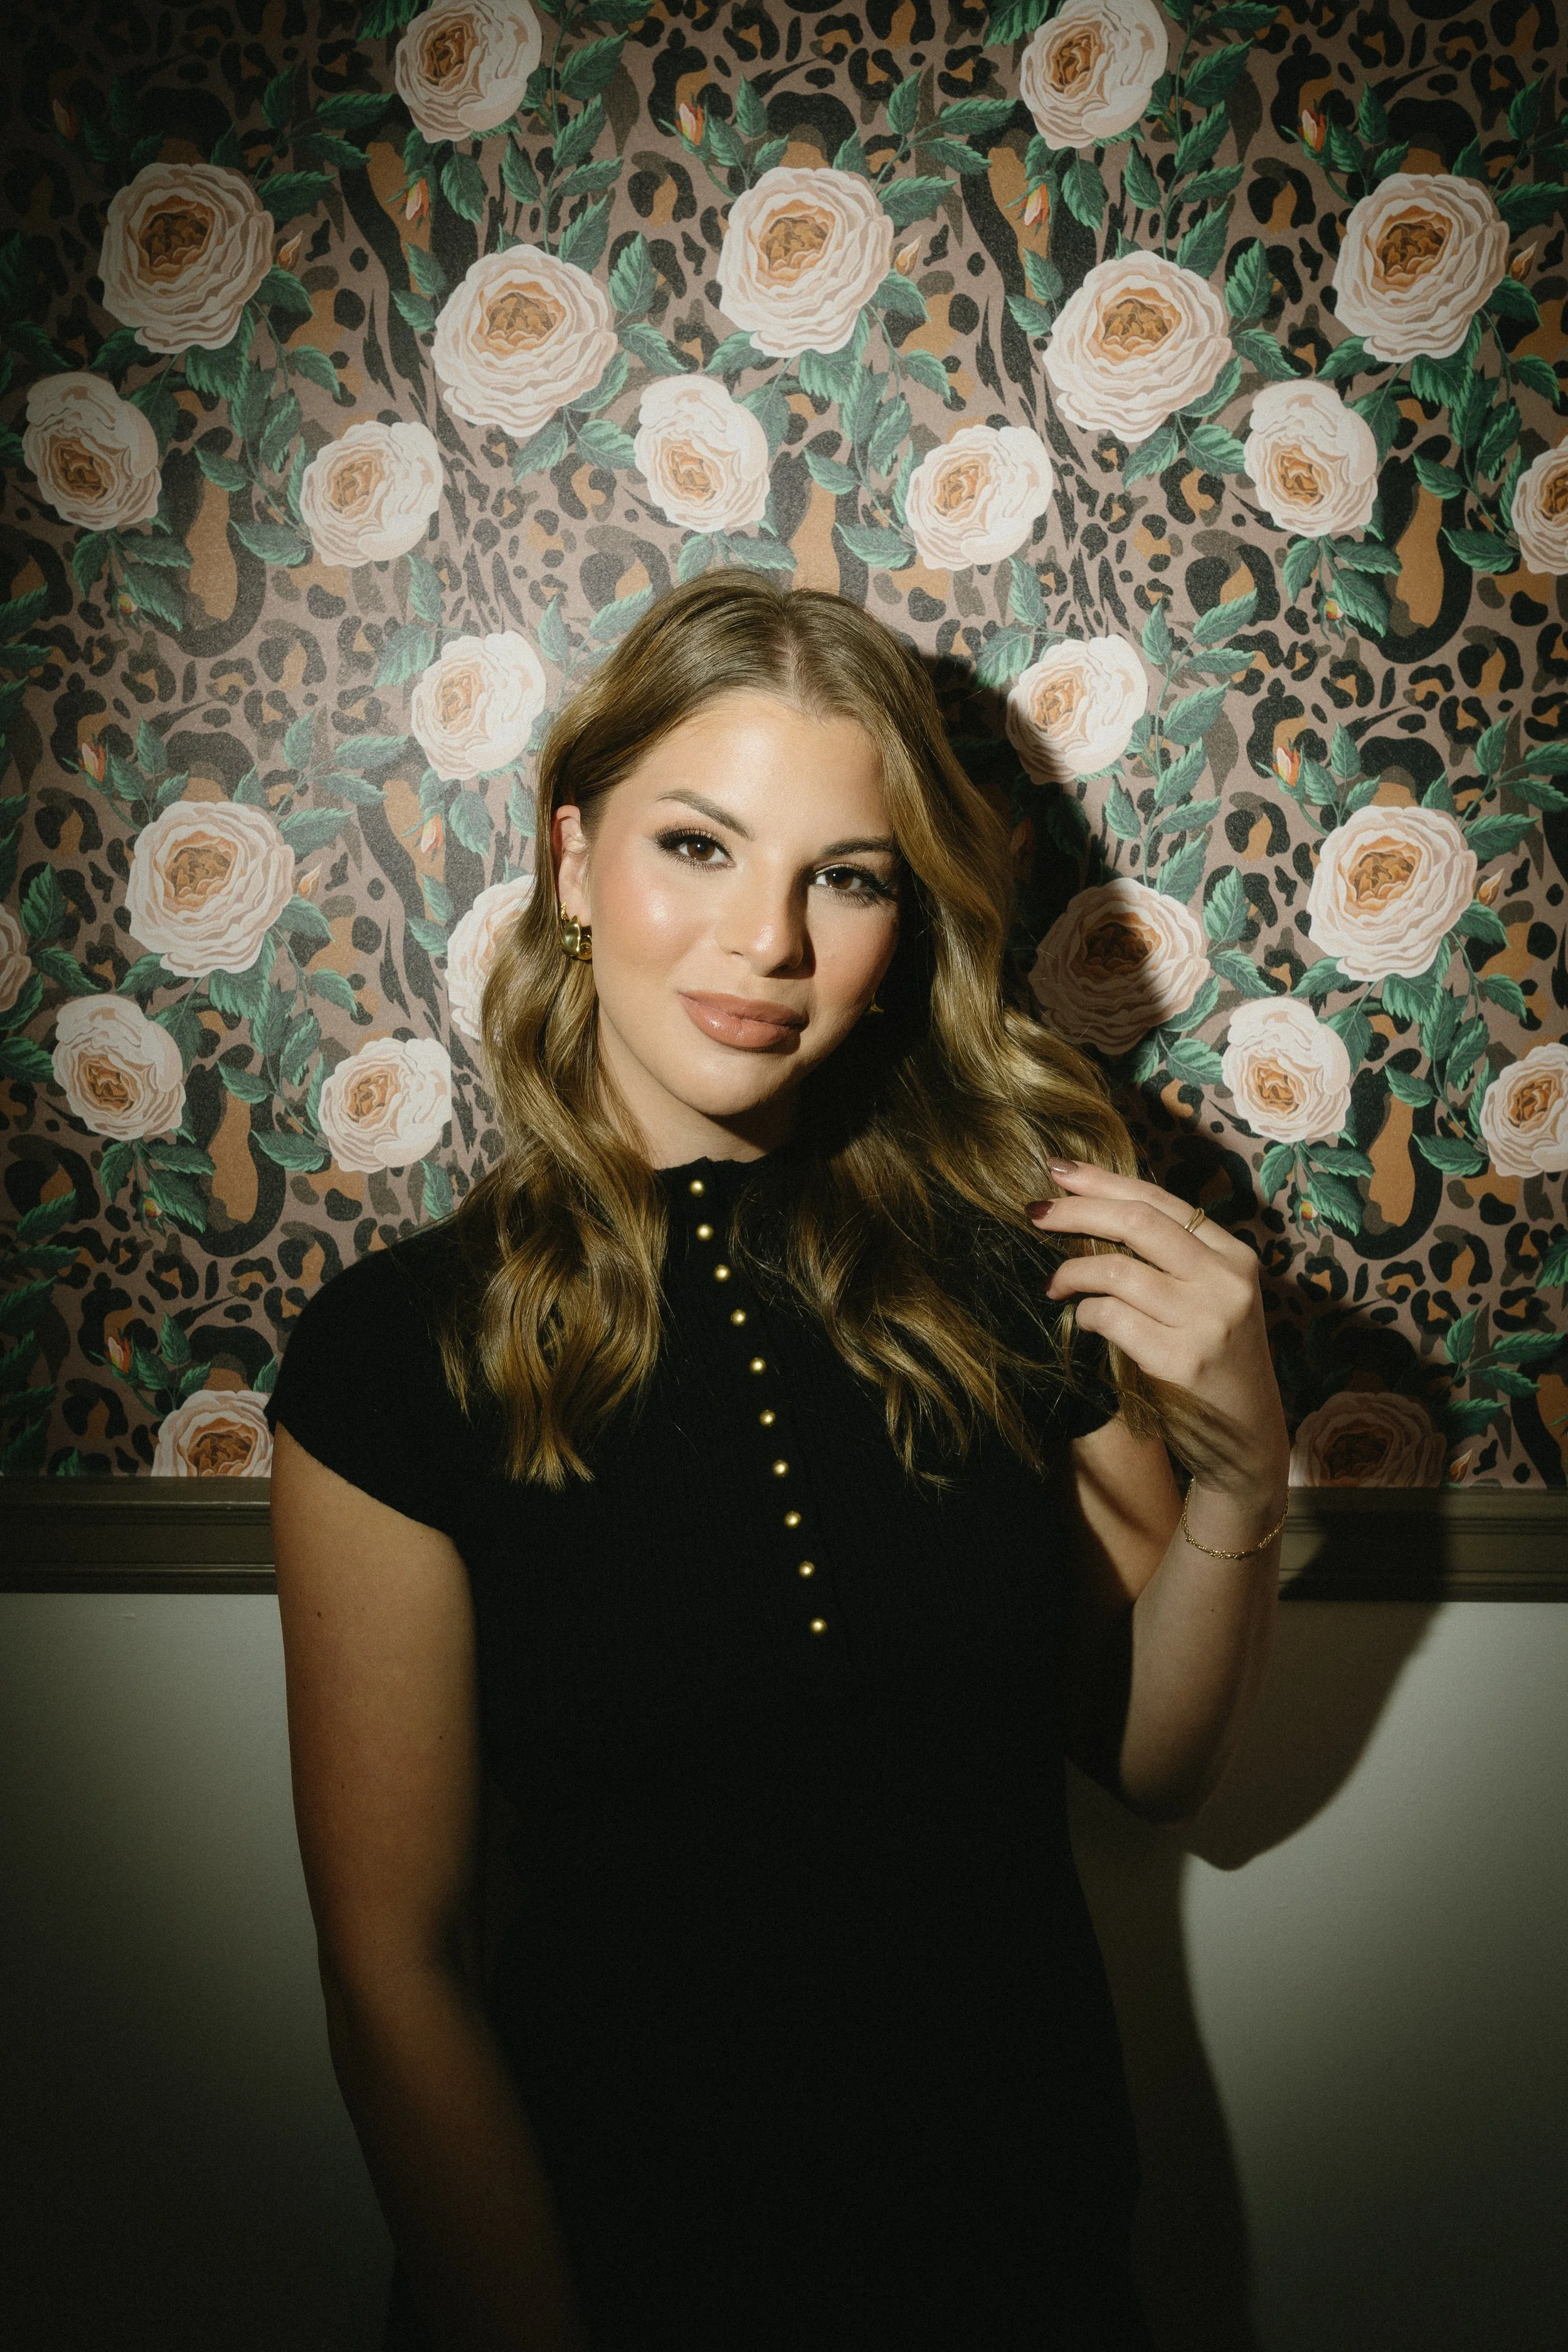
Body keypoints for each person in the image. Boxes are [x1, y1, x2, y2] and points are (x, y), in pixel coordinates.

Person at [267, 573, 1290, 2352]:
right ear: (573, 860)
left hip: (1020, 2265)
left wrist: (1240, 1481)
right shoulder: (394, 1353)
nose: (766, 941)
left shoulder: (1009, 1261)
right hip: (604, 2268)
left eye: (845, 874)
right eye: (698, 845)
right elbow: (394, 1971)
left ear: (905, 921)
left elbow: (1157, 1757)